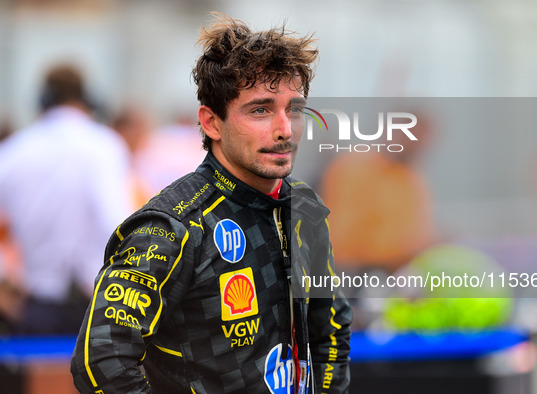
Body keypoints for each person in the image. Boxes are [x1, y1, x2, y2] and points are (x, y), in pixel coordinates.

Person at [71, 15, 352, 394]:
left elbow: (330, 328)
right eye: (261, 109)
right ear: (211, 122)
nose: (285, 128)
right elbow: (102, 359)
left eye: (295, 109)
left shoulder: (304, 208)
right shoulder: (171, 226)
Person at [0, 64, 134, 335]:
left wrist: (4, 280)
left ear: (43, 102)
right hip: (97, 300)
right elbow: (119, 223)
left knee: (39, 377)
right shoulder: (104, 145)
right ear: (86, 101)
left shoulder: (14, 151)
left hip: (34, 303)